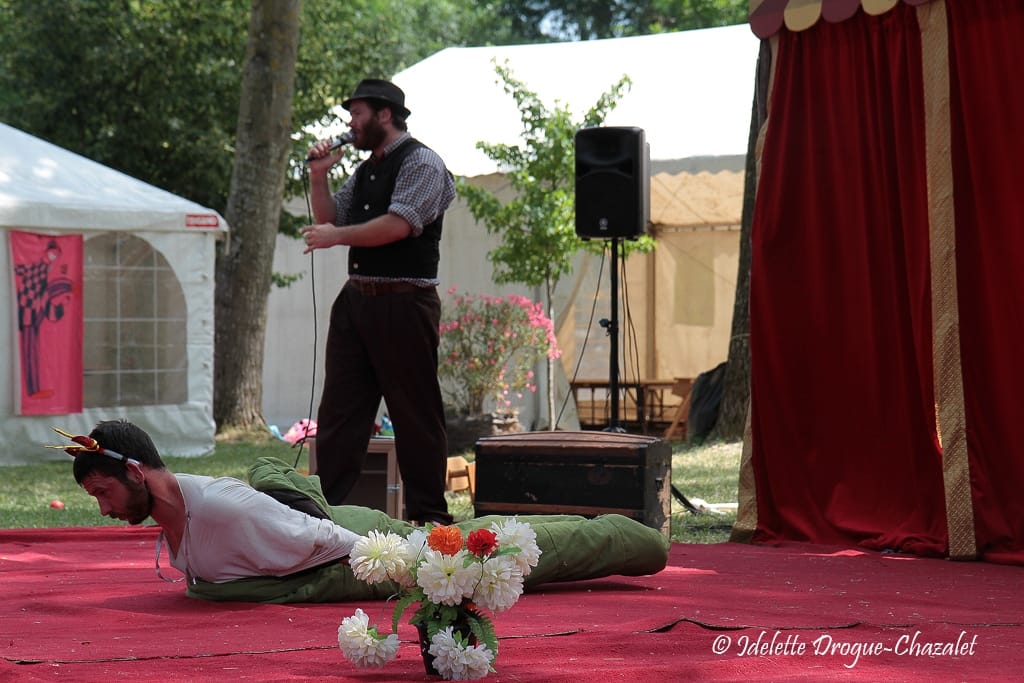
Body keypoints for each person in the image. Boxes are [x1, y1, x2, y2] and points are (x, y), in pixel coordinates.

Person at [67, 420, 671, 604]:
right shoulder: (184, 518)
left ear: (136, 473)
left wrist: (404, 557)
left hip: (359, 545)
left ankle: (636, 541)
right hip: (323, 534)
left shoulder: (223, 513)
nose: (104, 508)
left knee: (491, 554)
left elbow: (321, 539)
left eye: (104, 492)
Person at [300, 78, 455, 525]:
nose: (351, 123)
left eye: (358, 114)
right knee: (340, 413)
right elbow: (331, 218)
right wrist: (318, 175)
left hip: (405, 302)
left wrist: (336, 238)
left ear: (384, 114)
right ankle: (320, 517)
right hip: (357, 303)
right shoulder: (366, 169)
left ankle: (430, 519)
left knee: (414, 414)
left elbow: (399, 224)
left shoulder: (422, 162)